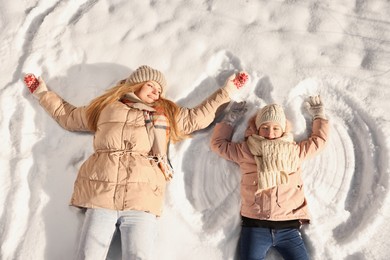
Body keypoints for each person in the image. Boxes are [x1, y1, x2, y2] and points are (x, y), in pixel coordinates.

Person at [23, 65, 249, 260]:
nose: (156, 91)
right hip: (102, 194)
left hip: (142, 199)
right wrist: (42, 93)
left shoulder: (163, 114)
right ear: (136, 84)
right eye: (152, 85)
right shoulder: (106, 108)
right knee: (88, 256)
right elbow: (70, 116)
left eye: (160, 90)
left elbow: (197, 117)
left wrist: (226, 91)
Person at [210, 96, 329, 260]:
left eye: (275, 128)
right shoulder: (247, 150)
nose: (270, 133)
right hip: (255, 227)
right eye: (265, 127)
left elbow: (318, 142)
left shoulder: (293, 152)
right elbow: (219, 144)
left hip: (289, 228)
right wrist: (230, 119)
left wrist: (319, 116)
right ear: (258, 129)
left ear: (283, 130)